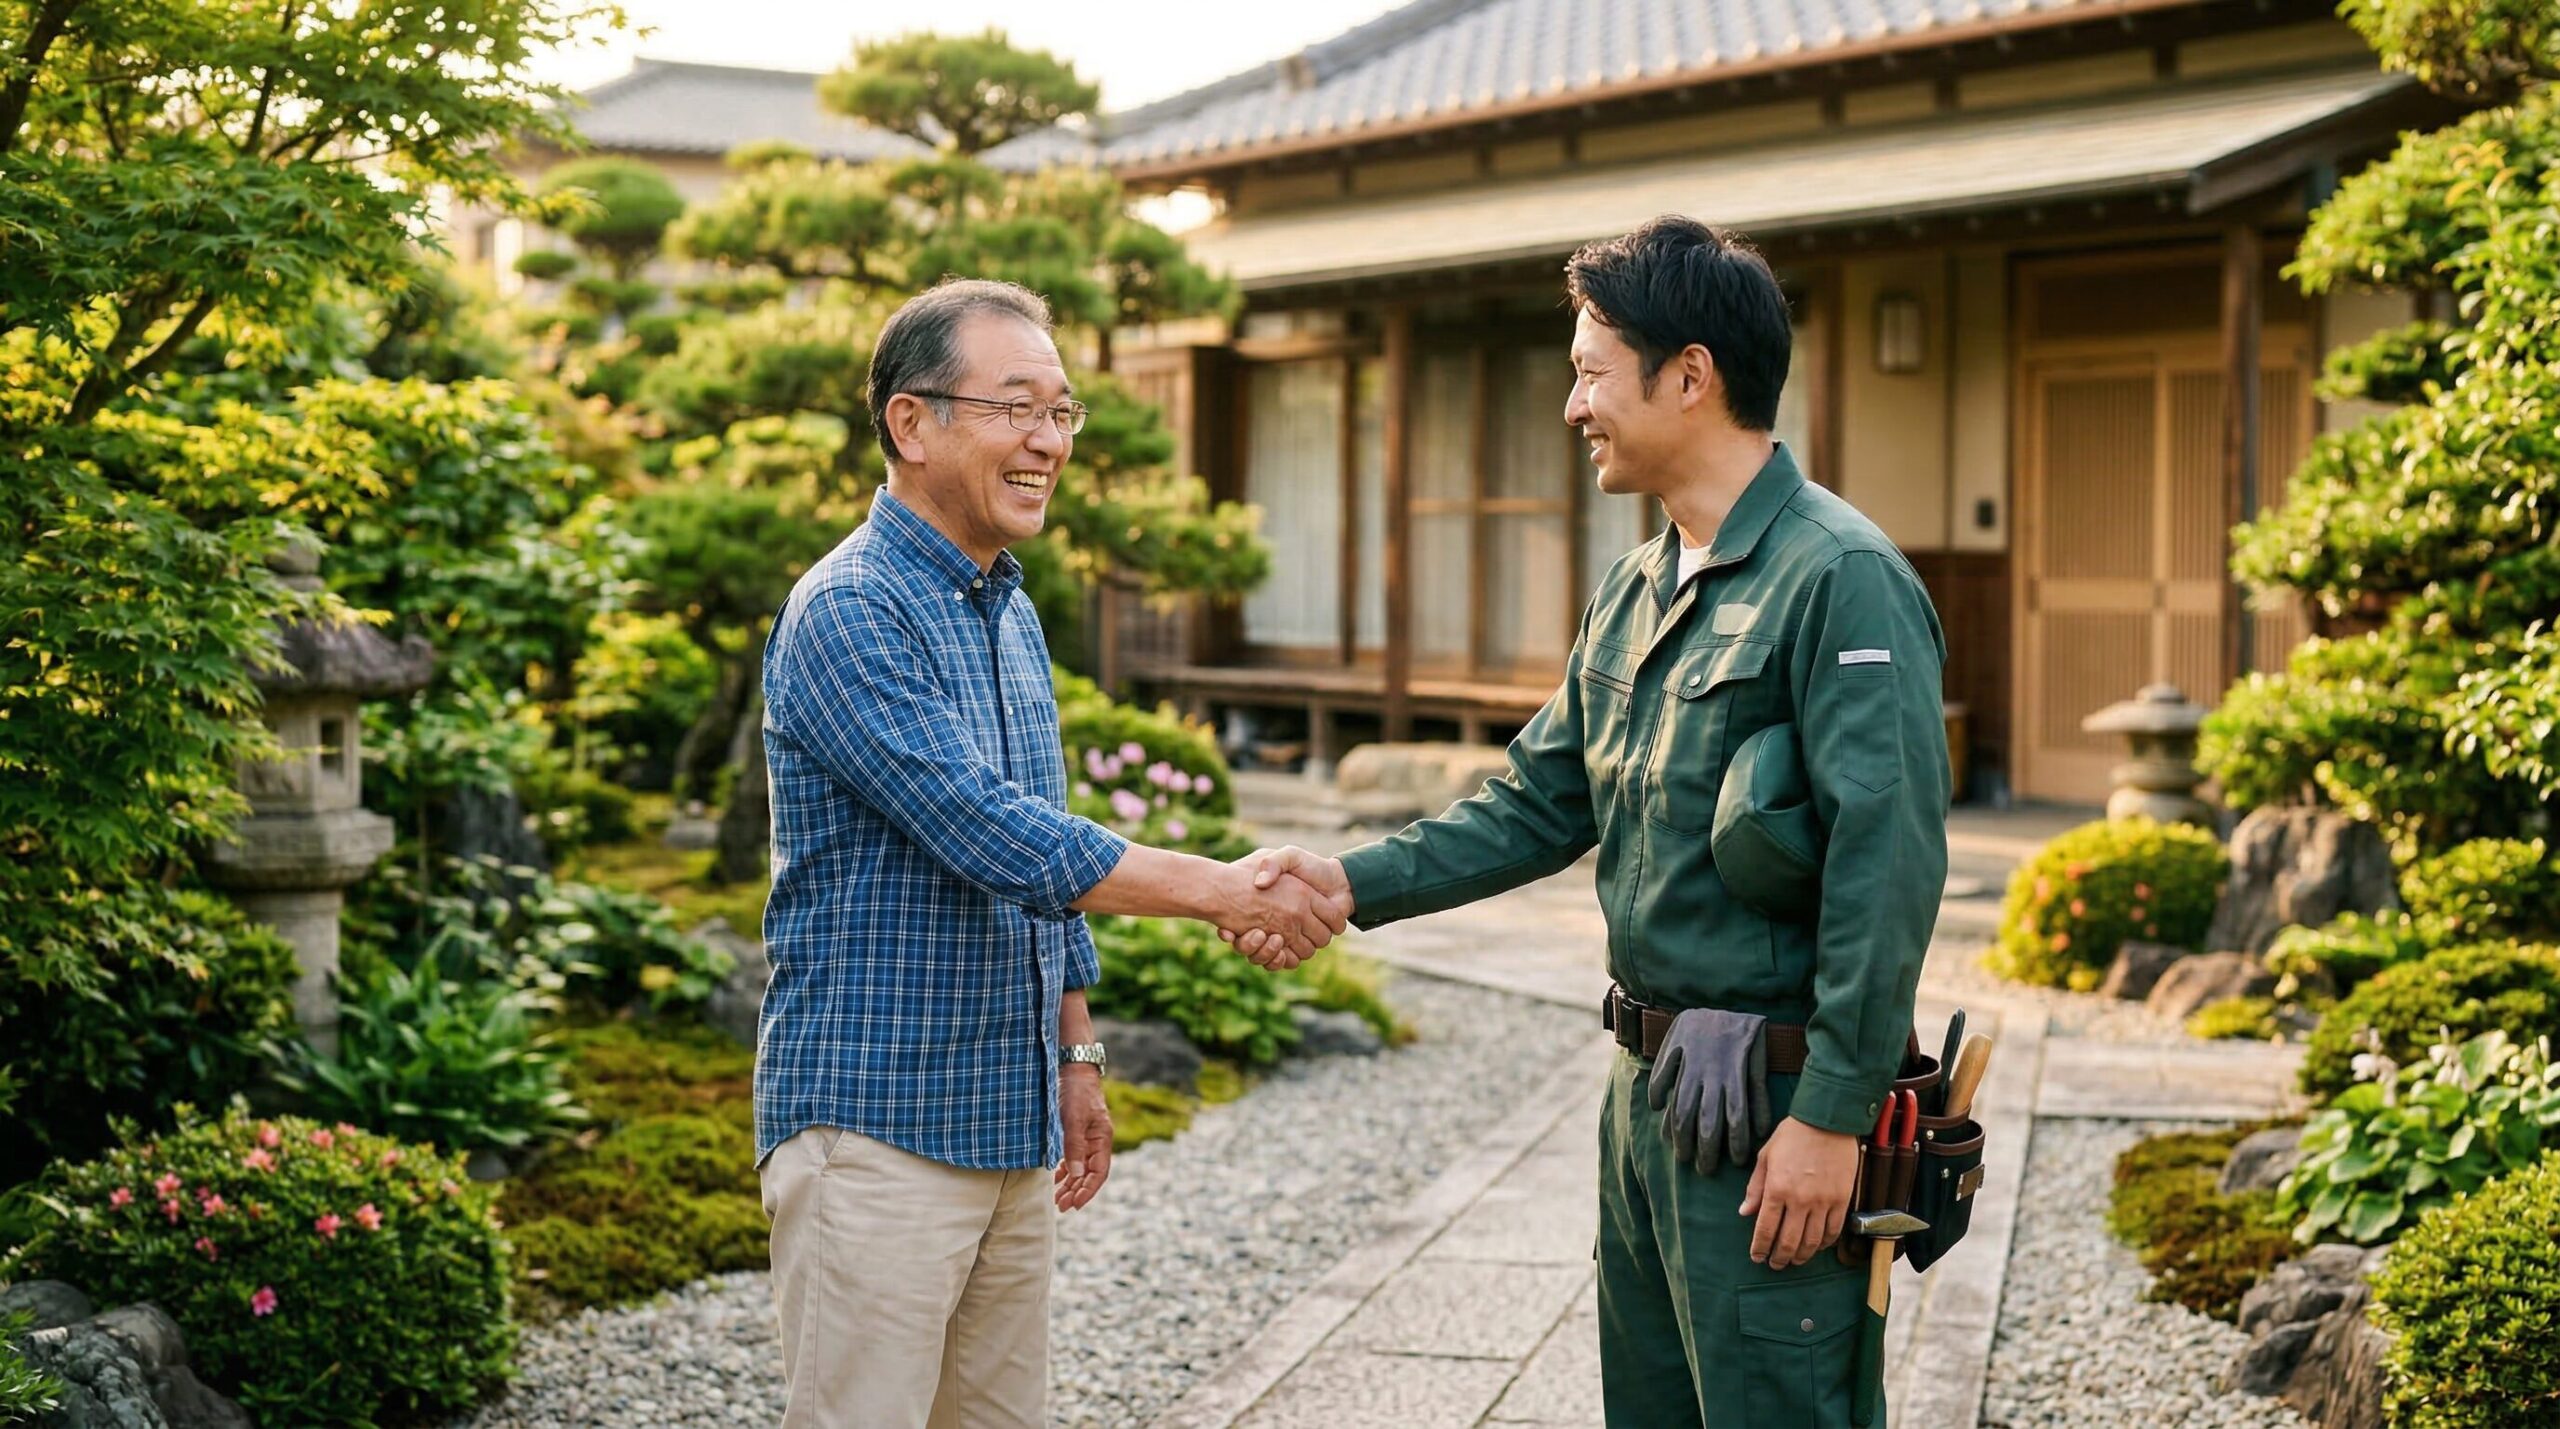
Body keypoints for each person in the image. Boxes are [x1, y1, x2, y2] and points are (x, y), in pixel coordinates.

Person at [1245, 217, 1951, 1427]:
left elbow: (1885, 871)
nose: (1573, 406)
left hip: (1775, 1109)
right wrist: (1346, 882)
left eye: (1590, 373)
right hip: (1647, 1095)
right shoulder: (1635, 584)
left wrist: (1832, 1117)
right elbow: (1538, 801)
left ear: (1690, 375)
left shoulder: (1842, 577)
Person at [754, 277, 1346, 1429]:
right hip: (873, 1126)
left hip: (1005, 1116)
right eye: (1015, 406)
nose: (1048, 441)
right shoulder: (849, 609)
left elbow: (1044, 850)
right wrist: (1224, 889)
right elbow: (992, 831)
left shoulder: (1009, 609)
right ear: (910, 422)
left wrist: (1077, 1055)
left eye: (1061, 411)